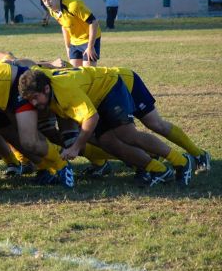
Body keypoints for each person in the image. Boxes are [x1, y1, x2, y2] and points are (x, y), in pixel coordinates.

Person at [18, 67, 195, 188]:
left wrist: (76, 147)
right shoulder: (44, 83)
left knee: (127, 134)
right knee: (108, 142)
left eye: (35, 97)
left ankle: (181, 161)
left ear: (47, 89)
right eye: (29, 99)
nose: (33, 103)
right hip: (95, 97)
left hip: (109, 87)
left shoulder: (65, 91)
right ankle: (159, 170)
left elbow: (91, 118)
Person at [39, 0, 102, 67]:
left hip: (88, 40)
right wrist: (68, 47)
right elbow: (64, 26)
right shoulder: (52, 11)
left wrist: (90, 46)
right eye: (44, 1)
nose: (47, 3)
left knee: (88, 73)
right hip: (74, 42)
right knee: (74, 73)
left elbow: (94, 22)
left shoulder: (73, 6)